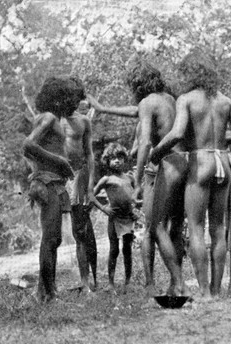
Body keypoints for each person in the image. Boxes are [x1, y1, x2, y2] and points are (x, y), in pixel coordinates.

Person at [150, 51, 231, 299]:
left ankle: (205, 293)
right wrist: (223, 141)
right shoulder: (225, 101)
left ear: (190, 74)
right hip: (222, 163)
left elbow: (176, 134)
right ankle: (216, 293)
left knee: (196, 228)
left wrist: (156, 151)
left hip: (201, 161)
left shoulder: (186, 99)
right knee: (218, 229)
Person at [90, 58, 187, 296]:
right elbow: (136, 112)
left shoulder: (146, 102)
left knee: (154, 227)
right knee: (174, 226)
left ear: (137, 85)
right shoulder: (169, 99)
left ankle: (176, 282)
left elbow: (143, 143)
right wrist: (104, 108)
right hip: (183, 163)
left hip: (162, 166)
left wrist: (139, 181)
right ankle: (175, 283)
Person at [23, 76, 77, 302]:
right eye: (70, 98)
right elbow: (28, 145)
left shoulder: (49, 118)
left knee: (52, 239)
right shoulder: (48, 117)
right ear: (58, 99)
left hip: (51, 181)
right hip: (48, 182)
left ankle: (43, 291)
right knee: (50, 238)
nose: (73, 103)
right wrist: (59, 162)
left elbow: (31, 152)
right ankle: (49, 293)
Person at [62, 77, 104, 293]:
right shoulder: (54, 120)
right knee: (60, 232)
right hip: (61, 177)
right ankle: (80, 280)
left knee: (82, 230)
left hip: (79, 175)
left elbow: (89, 154)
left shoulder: (83, 121)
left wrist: (90, 186)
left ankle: (90, 280)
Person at [93, 143, 137, 292]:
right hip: (114, 218)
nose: (117, 161)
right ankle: (111, 283)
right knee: (114, 250)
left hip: (128, 217)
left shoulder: (130, 177)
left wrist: (136, 209)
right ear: (107, 161)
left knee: (127, 249)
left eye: (119, 157)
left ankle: (128, 281)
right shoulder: (106, 179)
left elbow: (136, 196)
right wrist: (104, 208)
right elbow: (91, 195)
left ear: (124, 159)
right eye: (113, 158)